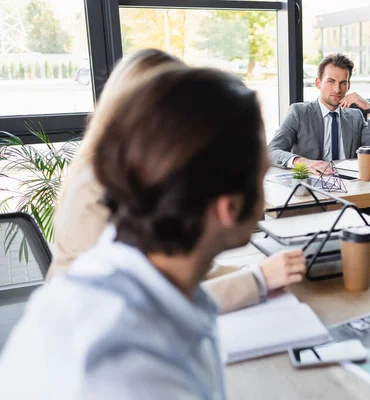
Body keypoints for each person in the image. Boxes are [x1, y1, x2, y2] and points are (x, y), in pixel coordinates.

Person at [0, 67, 277, 398]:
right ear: (229, 207)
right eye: (262, 179)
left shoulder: (129, 271)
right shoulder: (121, 370)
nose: (265, 198)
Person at [50, 48, 305, 314]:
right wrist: (258, 279)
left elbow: (170, 262)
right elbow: (151, 302)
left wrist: (251, 271)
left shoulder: (135, 167)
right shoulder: (95, 187)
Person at [268, 53, 370, 249]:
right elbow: (272, 150)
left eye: (343, 83)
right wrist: (303, 162)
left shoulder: (355, 116)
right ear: (318, 83)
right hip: (315, 195)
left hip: (352, 191)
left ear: (348, 86)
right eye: (331, 81)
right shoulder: (299, 112)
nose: (337, 89)